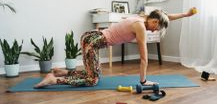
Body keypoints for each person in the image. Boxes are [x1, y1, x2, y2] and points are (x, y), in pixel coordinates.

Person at [34, 7, 196, 88]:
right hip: (93, 41)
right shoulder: (140, 27)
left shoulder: (143, 17)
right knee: (93, 80)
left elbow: (165, 16)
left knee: (94, 73)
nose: (155, 31)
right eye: (157, 28)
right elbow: (144, 58)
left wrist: (185, 15)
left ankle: (62, 71)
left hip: (91, 38)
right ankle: (54, 79)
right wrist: (143, 81)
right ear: (154, 22)